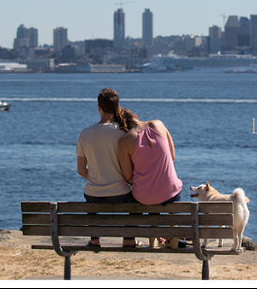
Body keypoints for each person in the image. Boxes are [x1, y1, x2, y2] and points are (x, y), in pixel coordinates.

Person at [75, 88, 139, 247]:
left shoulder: (85, 133)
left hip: (93, 194)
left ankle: (95, 239)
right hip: (120, 194)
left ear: (99, 107)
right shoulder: (125, 133)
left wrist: (99, 178)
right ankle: (129, 239)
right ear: (118, 107)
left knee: (90, 194)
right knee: (136, 201)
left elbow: (81, 170)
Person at [117, 108, 184, 248]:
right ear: (135, 116)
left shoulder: (124, 141)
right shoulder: (158, 124)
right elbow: (172, 156)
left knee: (144, 194)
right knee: (169, 190)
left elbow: (128, 177)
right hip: (169, 193)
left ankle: (153, 233)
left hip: (144, 197)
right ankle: (172, 234)